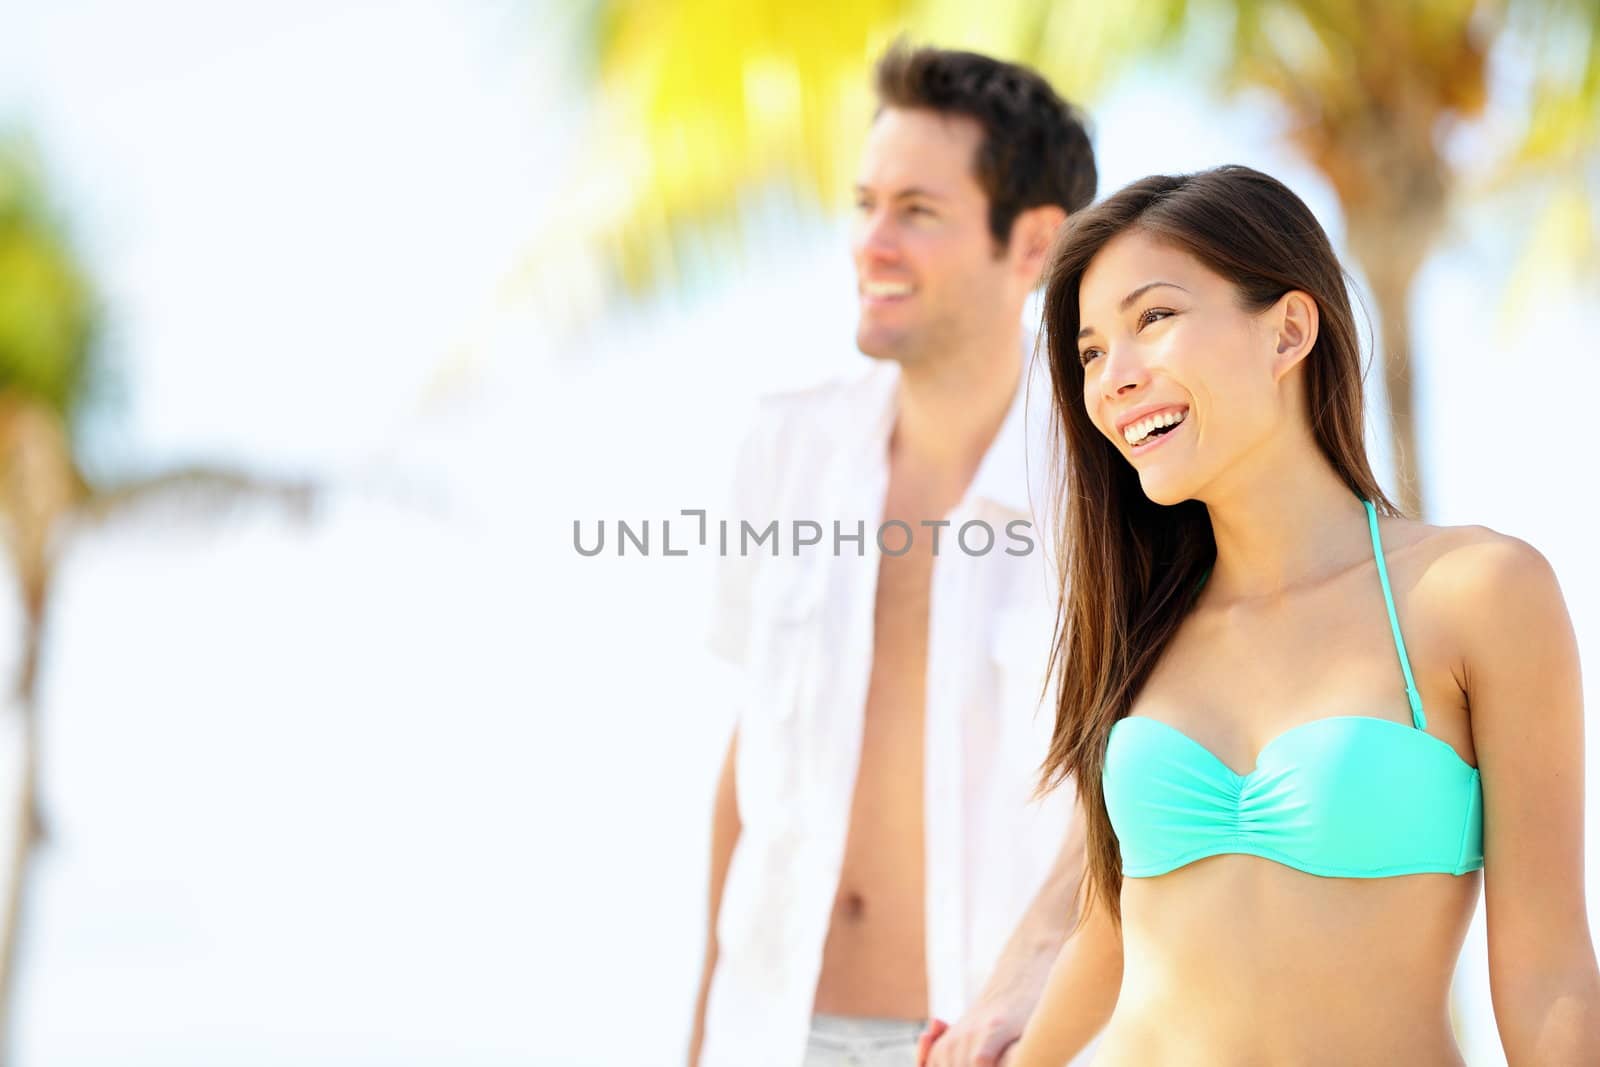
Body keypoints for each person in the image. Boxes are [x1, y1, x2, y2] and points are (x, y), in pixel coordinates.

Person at [1005, 164, 1600, 1064]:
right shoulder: (1142, 627)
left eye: (1152, 319)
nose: (1112, 380)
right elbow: (1106, 936)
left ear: (1288, 330)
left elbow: (1546, 971)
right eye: (1090, 352)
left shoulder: (1477, 591)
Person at [687, 44, 1102, 1067]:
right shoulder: (786, 447)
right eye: (865, 201)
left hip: (990, 1042)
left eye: (917, 209)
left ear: (1033, 244)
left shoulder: (1110, 494)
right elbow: (751, 759)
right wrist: (701, 1031)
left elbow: (1129, 797)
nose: (871, 240)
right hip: (772, 1032)